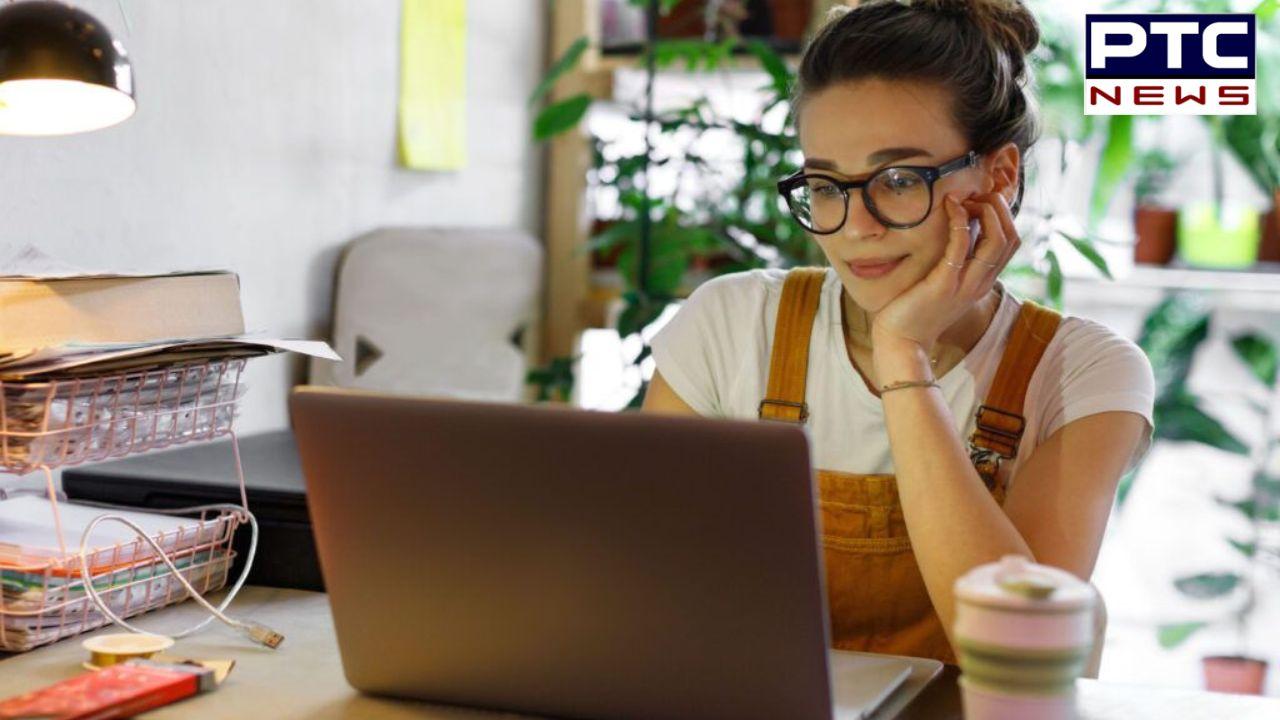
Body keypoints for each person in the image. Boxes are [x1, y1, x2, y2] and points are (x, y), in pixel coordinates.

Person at [643, 0, 1155, 664]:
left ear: (999, 175)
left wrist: (903, 353)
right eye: (826, 184)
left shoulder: (1085, 374)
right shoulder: (730, 325)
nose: (857, 226)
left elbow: (1022, 650)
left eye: (898, 179)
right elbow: (647, 590)